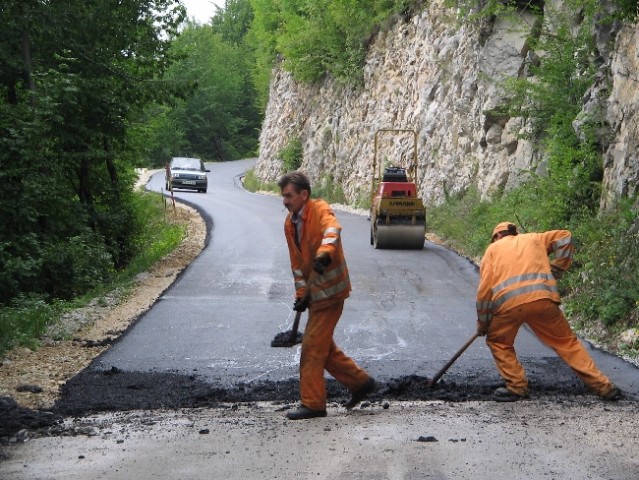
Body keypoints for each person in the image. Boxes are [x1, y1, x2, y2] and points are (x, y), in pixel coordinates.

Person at [476, 221, 622, 402]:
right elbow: (565, 237)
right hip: (543, 300)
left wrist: (483, 325)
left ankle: (517, 387)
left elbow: (484, 294)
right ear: (514, 232)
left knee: (498, 341)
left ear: (496, 236)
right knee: (567, 343)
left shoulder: (492, 251)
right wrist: (558, 268)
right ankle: (603, 386)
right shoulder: (534, 239)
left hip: (510, 306)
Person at [278, 171, 376, 420]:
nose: (285, 201)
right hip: (315, 297)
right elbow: (297, 265)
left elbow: (332, 230)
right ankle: (360, 383)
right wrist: (302, 294)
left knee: (311, 349)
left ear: (304, 195)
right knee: (323, 348)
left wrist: (325, 253)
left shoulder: (320, 209)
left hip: (331, 294)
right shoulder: (290, 225)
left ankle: (313, 404)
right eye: (283, 197)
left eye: (289, 196)